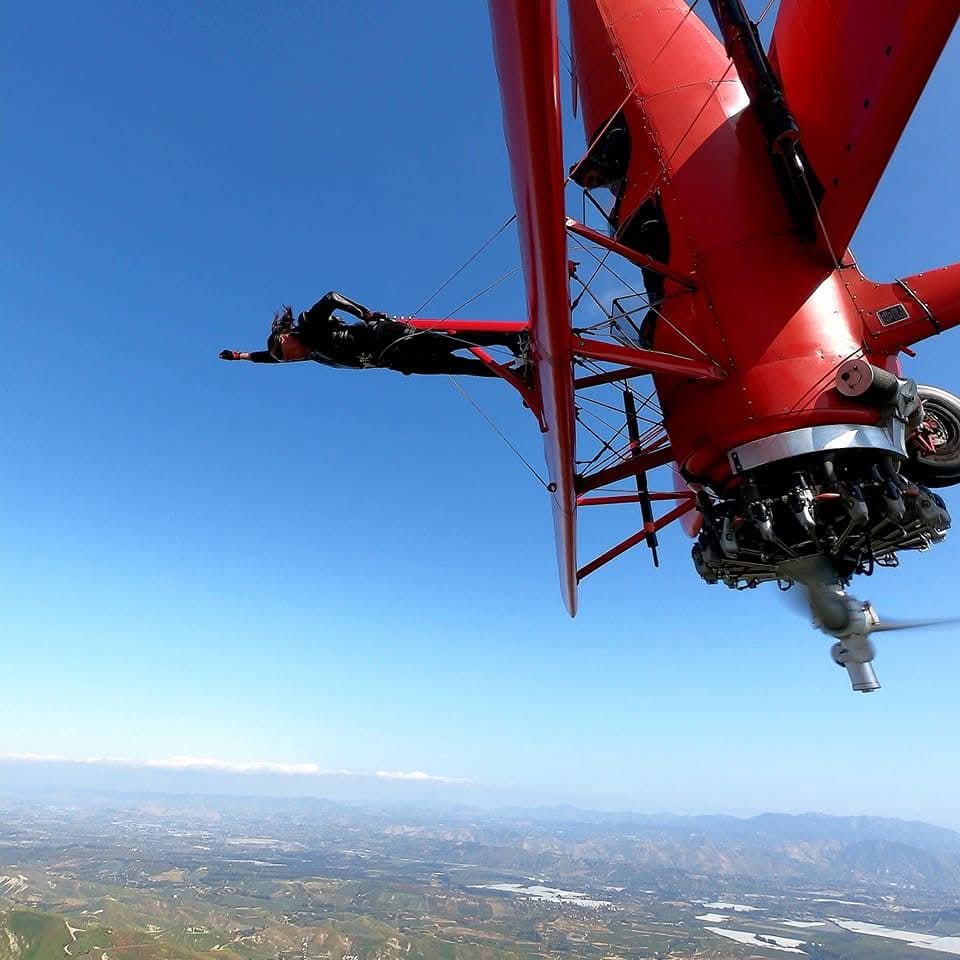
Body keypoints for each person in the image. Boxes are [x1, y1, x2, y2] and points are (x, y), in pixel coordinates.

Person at [219, 291, 527, 378]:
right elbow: (269, 359)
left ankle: (510, 339)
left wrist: (364, 314)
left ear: (288, 338)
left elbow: (331, 297)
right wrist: (239, 357)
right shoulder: (309, 353)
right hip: (391, 360)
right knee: (457, 366)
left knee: (450, 340)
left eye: (288, 354)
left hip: (386, 337)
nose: (292, 359)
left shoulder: (309, 326)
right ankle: (516, 375)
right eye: (287, 360)